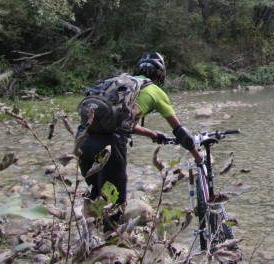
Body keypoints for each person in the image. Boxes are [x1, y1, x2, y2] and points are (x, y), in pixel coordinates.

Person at [76, 52, 203, 231]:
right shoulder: (156, 92)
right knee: (115, 204)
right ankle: (112, 248)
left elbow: (123, 124)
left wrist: (155, 135)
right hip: (110, 147)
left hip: (82, 140)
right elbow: (182, 134)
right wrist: (199, 159)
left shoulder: (119, 84)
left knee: (95, 194)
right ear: (160, 74)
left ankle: (88, 239)